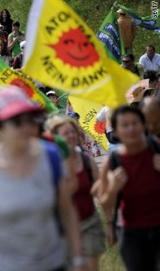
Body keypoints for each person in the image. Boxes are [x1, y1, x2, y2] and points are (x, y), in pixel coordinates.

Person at [0, 86, 84, 271]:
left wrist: (78, 259)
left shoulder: (51, 158)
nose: (27, 128)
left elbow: (67, 213)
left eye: (30, 120)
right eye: (17, 122)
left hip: (51, 264)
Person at [96, 106, 160, 271]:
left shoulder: (156, 150)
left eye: (135, 123)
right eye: (125, 125)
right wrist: (113, 189)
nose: (131, 129)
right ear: (115, 132)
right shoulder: (112, 161)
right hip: (132, 232)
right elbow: (104, 201)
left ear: (144, 125)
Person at [47, 116, 106, 271]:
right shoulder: (49, 165)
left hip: (89, 223)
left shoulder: (87, 161)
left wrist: (107, 186)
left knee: (91, 267)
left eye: (73, 132)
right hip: (63, 228)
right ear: (56, 138)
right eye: (65, 133)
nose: (71, 136)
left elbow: (100, 191)